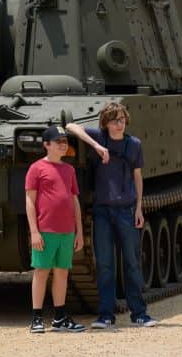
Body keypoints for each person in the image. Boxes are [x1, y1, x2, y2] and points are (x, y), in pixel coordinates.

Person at [66, 103, 159, 328]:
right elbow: (70, 126)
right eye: (115, 120)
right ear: (106, 123)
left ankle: (139, 313)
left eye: (122, 120)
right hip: (102, 212)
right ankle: (106, 314)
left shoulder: (133, 144)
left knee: (132, 263)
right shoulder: (100, 137)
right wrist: (96, 145)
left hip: (126, 210)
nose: (120, 124)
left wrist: (139, 207)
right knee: (105, 264)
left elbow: (138, 176)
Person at [25, 125, 86, 333]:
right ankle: (36, 318)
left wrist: (79, 231)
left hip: (67, 231)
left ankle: (60, 318)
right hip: (46, 230)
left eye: (65, 141)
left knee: (62, 273)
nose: (63, 145)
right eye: (58, 141)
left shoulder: (69, 170)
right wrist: (34, 231)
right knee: (41, 272)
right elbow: (30, 201)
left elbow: (74, 201)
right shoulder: (36, 169)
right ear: (46, 145)